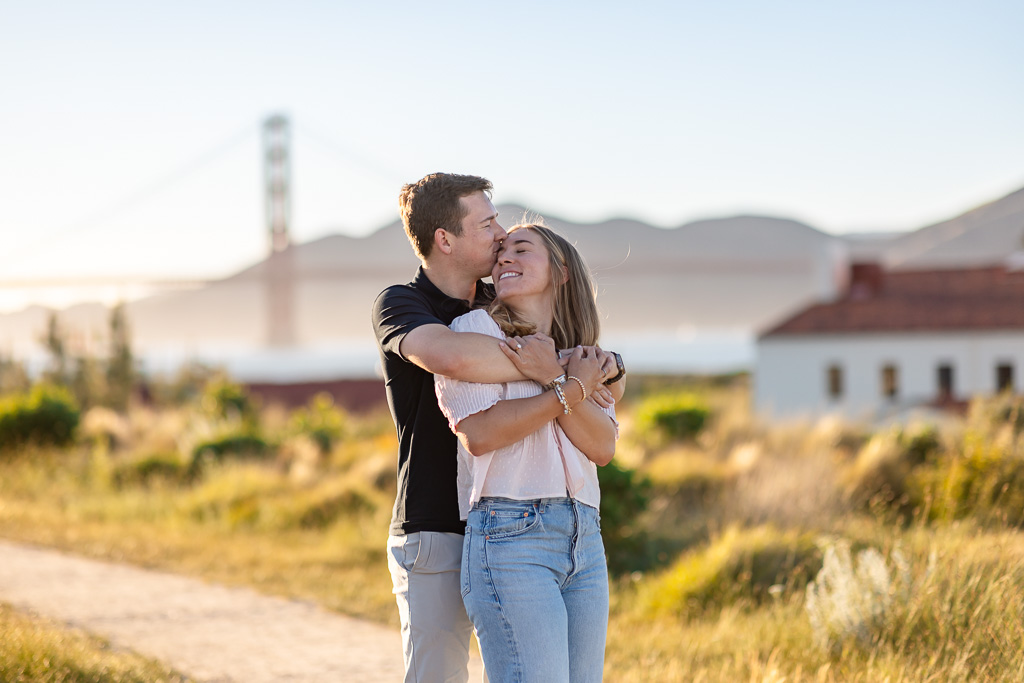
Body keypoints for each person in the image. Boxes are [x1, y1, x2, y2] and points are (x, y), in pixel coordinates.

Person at [371, 173, 623, 683]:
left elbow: (604, 376)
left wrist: (588, 365)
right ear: (446, 239)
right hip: (437, 521)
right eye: (486, 224)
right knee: (438, 676)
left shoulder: (501, 301)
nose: (500, 235)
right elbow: (451, 357)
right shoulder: (403, 304)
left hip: (532, 522)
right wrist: (561, 373)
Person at [434, 223, 620, 682]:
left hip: (585, 537)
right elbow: (479, 433)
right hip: (510, 535)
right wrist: (567, 387)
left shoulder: (585, 355)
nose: (504, 259)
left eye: (522, 248)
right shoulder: (474, 330)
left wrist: (555, 378)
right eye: (500, 254)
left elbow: (602, 446)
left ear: (561, 272)